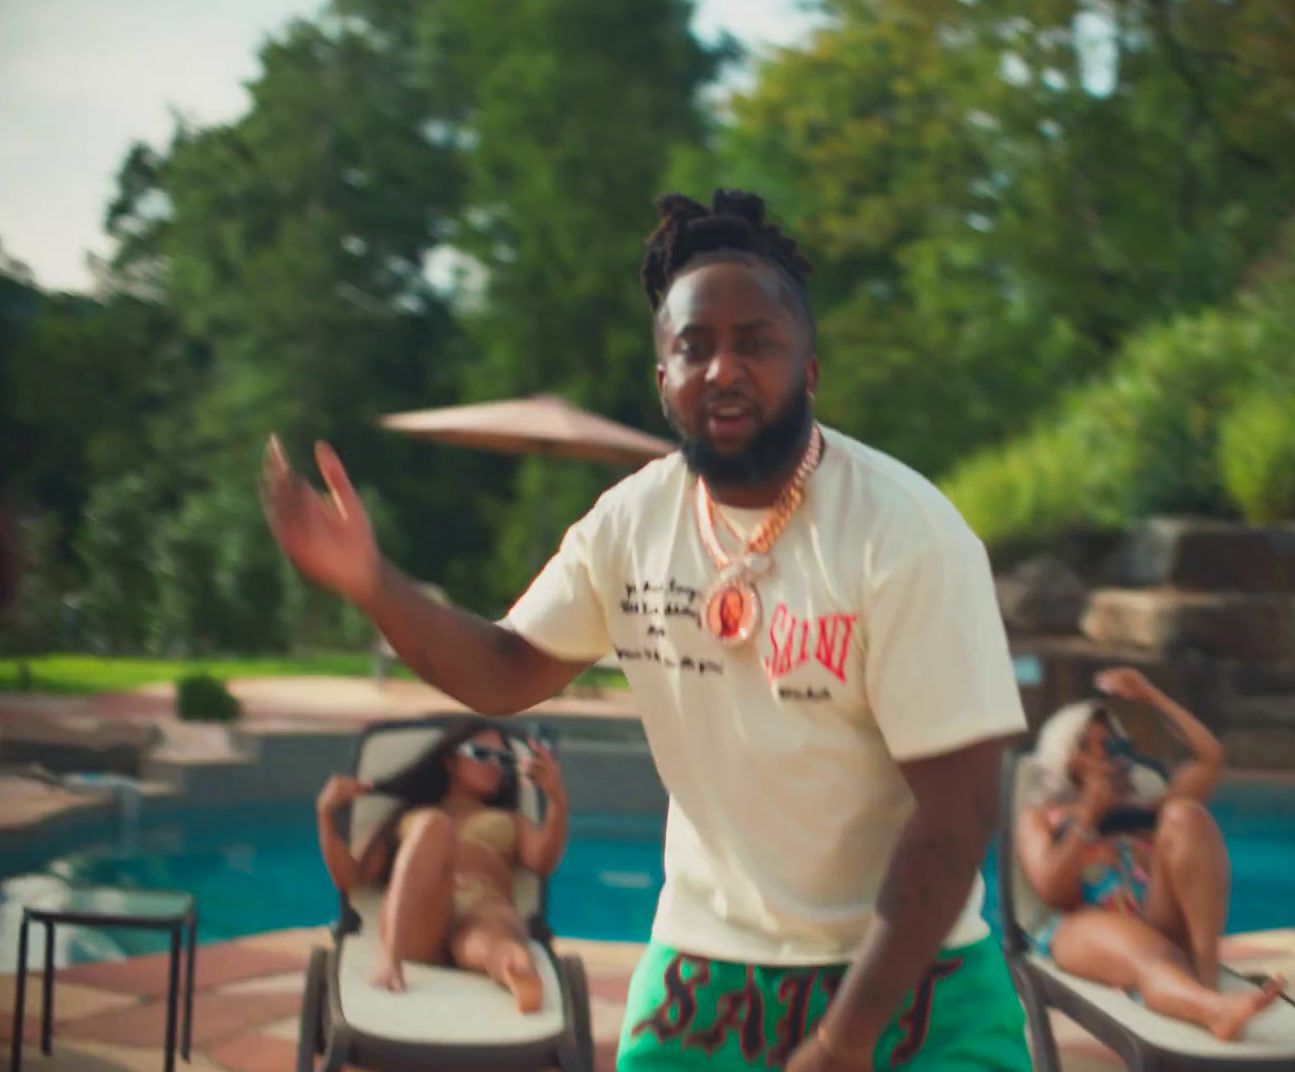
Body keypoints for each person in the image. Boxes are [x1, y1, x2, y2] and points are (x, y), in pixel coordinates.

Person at [262, 188, 1030, 1070]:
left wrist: (844, 1040)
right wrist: (374, 583)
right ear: (662, 378)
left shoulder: (907, 534)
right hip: (708, 973)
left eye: (756, 343)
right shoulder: (630, 525)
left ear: (810, 370)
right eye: (693, 347)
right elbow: (507, 670)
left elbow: (959, 810)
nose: (723, 369)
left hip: (911, 978)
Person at [1014, 667, 1287, 1040]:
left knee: (1186, 814)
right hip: (1083, 926)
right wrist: (1089, 816)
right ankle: (1214, 1010)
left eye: (1106, 743)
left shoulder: (1143, 807)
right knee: (1151, 959)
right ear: (1065, 756)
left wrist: (1152, 696)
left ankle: (1206, 973)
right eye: (1085, 744)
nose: (1100, 753)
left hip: (1154, 918)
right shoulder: (1043, 815)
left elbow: (1210, 759)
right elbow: (1051, 890)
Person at [314, 718, 569, 1012]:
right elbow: (351, 878)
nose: (494, 765)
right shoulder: (410, 815)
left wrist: (556, 799)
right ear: (450, 761)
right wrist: (325, 815)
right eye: (482, 754)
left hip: (482, 905)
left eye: (503, 758)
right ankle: (391, 962)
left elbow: (542, 861)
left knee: (488, 940)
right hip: (418, 917)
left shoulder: (511, 820)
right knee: (433, 825)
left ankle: (516, 972)